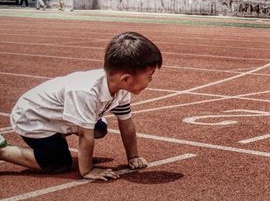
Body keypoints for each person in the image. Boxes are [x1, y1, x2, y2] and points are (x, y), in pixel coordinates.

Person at [0, 32, 162, 181]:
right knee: (59, 164)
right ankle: (3, 150)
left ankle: (61, 135)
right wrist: (87, 171)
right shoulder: (86, 92)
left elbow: (126, 124)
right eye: (149, 76)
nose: (151, 81)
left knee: (99, 129)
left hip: (55, 113)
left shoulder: (120, 88)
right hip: (33, 118)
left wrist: (133, 156)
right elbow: (85, 136)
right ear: (126, 79)